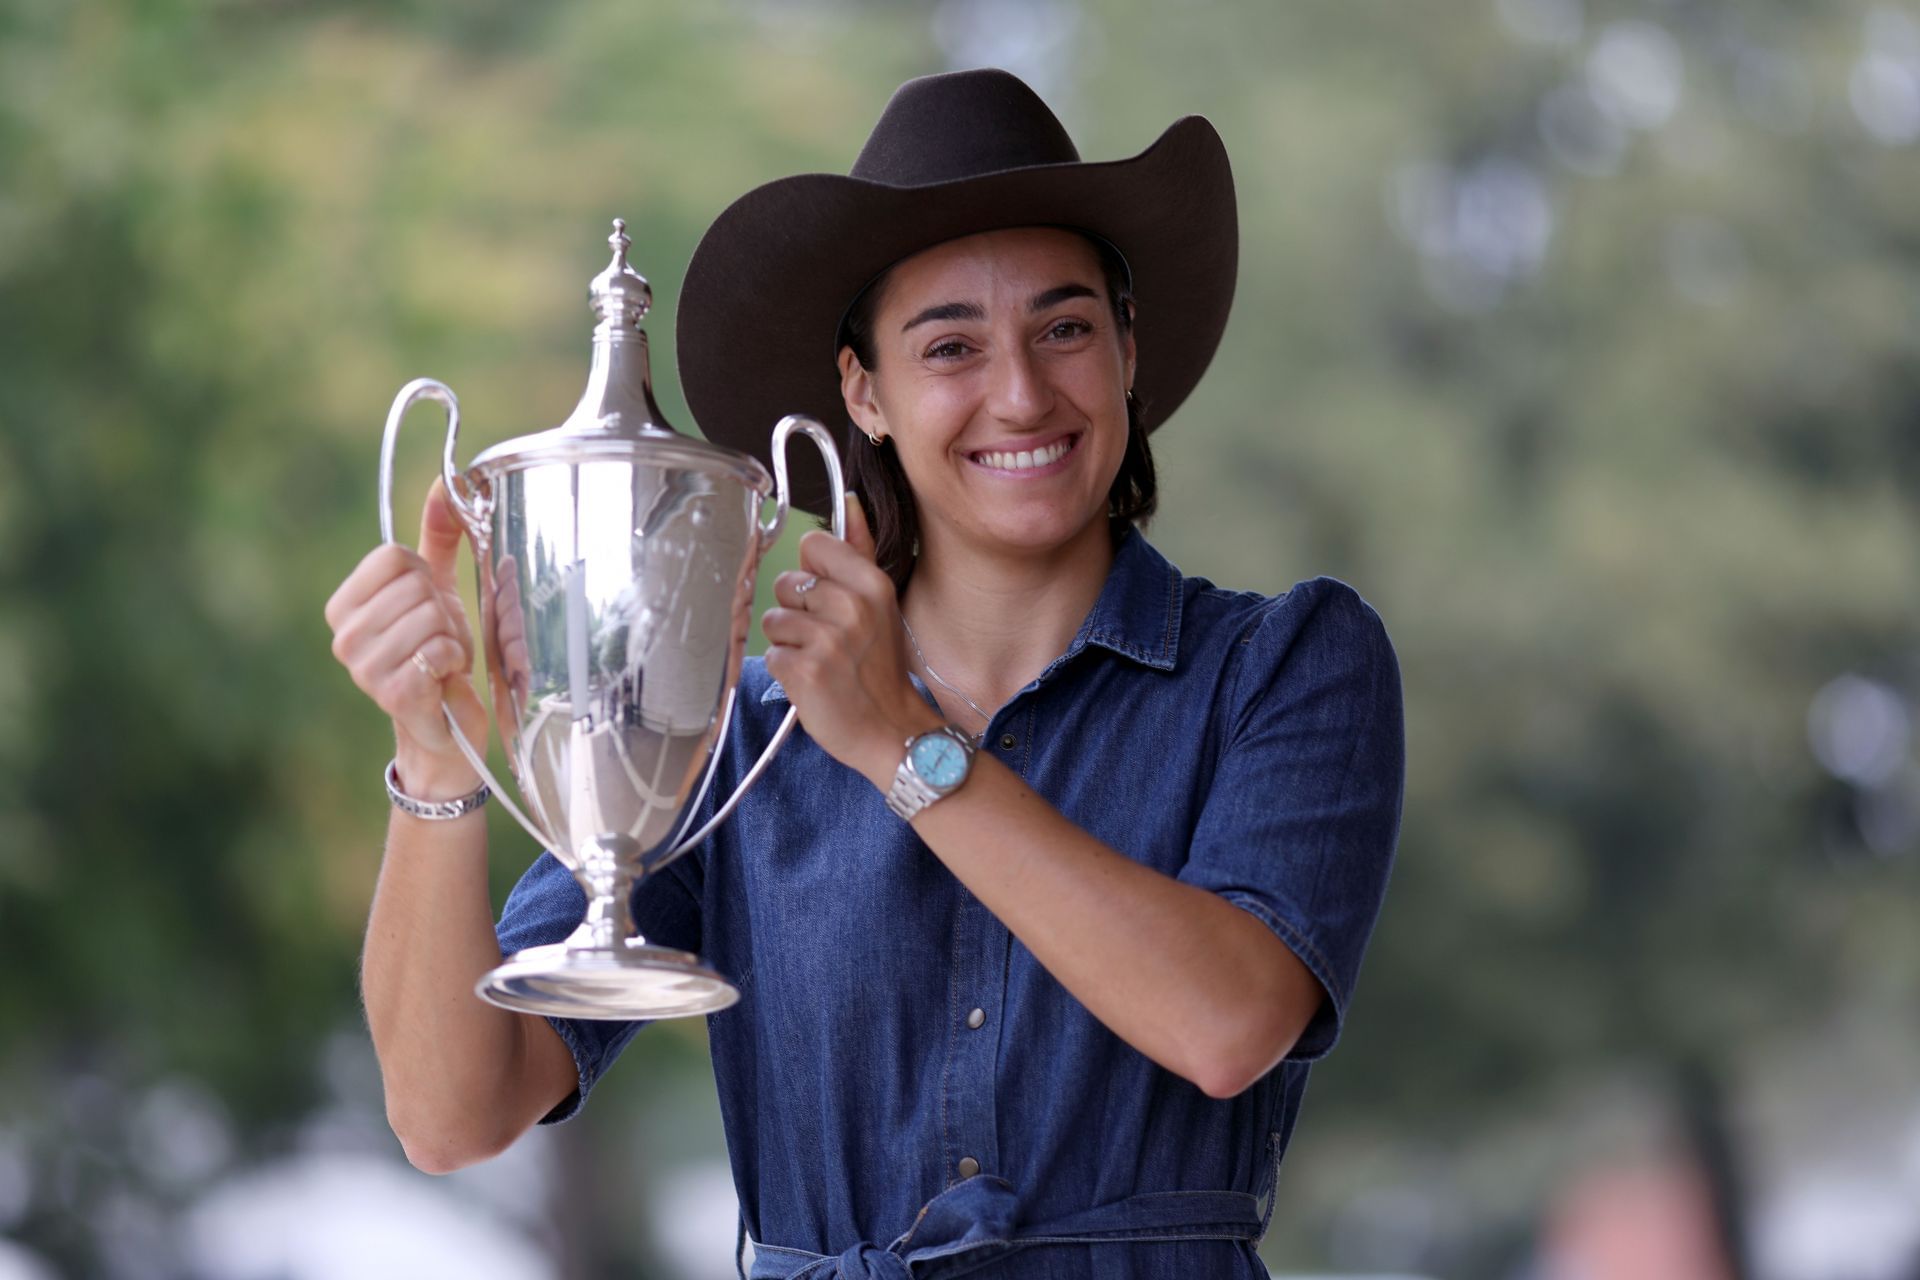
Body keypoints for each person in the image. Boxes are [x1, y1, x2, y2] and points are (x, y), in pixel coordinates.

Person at [325, 67, 1404, 1279]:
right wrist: (434, 751)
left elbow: (1225, 1023)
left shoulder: (1285, 666)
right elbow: (452, 1113)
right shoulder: (734, 734)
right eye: (951, 345)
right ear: (863, 392)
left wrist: (902, 743)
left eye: (1065, 327)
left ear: (1127, 347)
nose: (1020, 392)